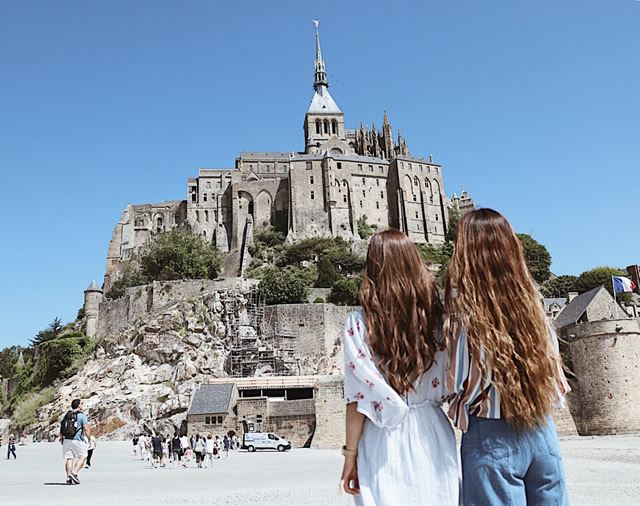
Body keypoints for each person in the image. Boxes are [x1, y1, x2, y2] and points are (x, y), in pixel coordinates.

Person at [444, 208, 571, 506]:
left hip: (492, 433)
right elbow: (555, 372)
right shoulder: (533, 302)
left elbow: (457, 381)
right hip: (542, 430)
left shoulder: (465, 309)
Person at [339, 229, 459, 505]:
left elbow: (357, 400)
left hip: (383, 435)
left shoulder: (359, 323)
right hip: (434, 434)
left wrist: (350, 456)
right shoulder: (438, 319)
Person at [59, 398, 90, 485]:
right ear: (79, 405)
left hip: (67, 439)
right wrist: (89, 438)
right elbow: (86, 428)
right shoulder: (82, 416)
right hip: (77, 439)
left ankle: (68, 478)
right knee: (83, 456)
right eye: (81, 404)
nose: (82, 405)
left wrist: (61, 438)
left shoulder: (67, 415)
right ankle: (74, 473)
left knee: (69, 458)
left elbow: (62, 427)